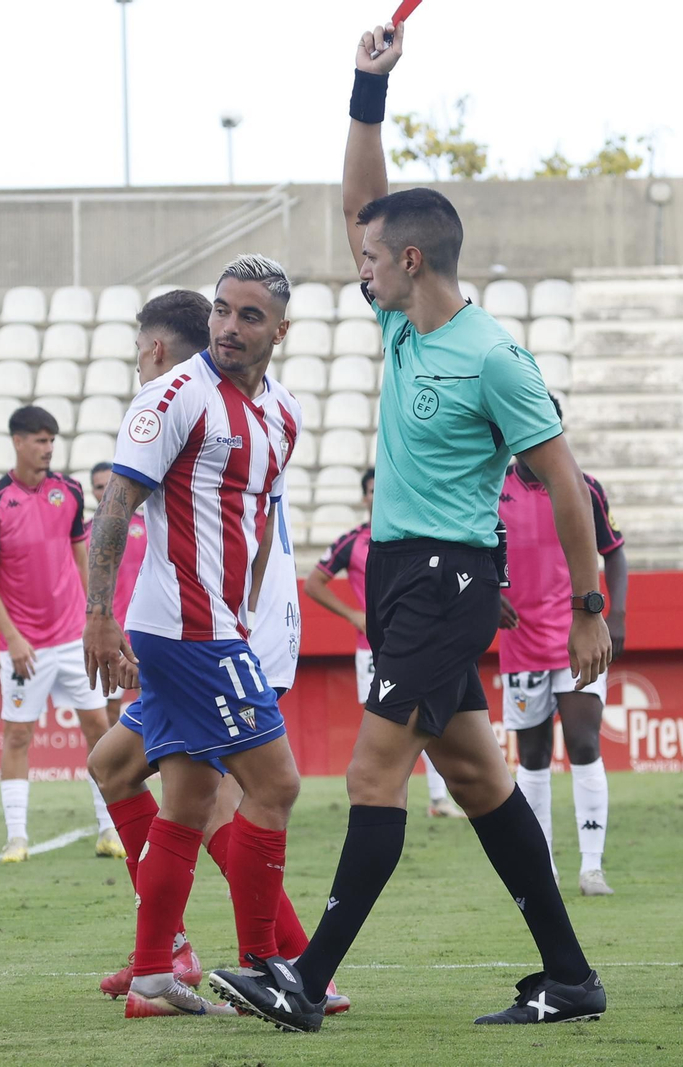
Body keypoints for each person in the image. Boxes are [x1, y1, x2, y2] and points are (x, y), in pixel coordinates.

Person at [211, 20, 608, 1032]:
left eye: (374, 258)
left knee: (370, 773)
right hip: (400, 573)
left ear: (415, 259)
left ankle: (304, 979)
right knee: (477, 775)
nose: (361, 266)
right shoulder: (399, 321)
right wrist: (367, 88)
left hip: (446, 579)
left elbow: (563, 482)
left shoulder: (495, 357)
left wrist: (589, 603)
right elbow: (361, 202)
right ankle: (569, 976)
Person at [88, 290, 347, 1015]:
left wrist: (243, 617)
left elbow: (256, 530)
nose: (230, 327)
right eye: (222, 312)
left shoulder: (276, 411)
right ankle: (255, 964)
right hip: (195, 632)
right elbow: (119, 507)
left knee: (203, 795)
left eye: (248, 316)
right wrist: (103, 616)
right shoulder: (178, 400)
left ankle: (197, 966)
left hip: (231, 632)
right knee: (156, 774)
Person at [0, 405, 122, 862]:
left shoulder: (69, 491)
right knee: (18, 735)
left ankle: (109, 829)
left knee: (99, 729)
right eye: (40, 440)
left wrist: (97, 615)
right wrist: (13, 637)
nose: (48, 448)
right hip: (25, 646)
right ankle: (17, 837)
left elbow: (82, 558)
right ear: (18, 442)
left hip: (74, 637)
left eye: (52, 440)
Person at [498, 394, 628, 896]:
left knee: (583, 742)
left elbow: (614, 552)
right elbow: (473, 549)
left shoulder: (583, 486)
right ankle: (543, 868)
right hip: (521, 642)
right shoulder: (492, 489)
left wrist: (614, 616)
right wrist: (488, 593)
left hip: (579, 638)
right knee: (532, 756)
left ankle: (592, 867)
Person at [305, 466, 466, 818]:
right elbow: (313, 583)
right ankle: (389, 798)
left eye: (383, 489)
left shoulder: (412, 535)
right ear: (364, 498)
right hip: (373, 649)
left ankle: (436, 799)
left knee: (424, 717)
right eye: (372, 490)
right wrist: (353, 614)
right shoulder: (353, 541)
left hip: (416, 644)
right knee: (386, 726)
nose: (377, 496)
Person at [88, 463, 146, 727]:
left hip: (143, 629)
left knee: (152, 700)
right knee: (109, 706)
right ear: (92, 491)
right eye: (99, 487)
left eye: (109, 485)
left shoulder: (149, 526)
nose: (105, 491)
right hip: (108, 631)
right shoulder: (86, 533)